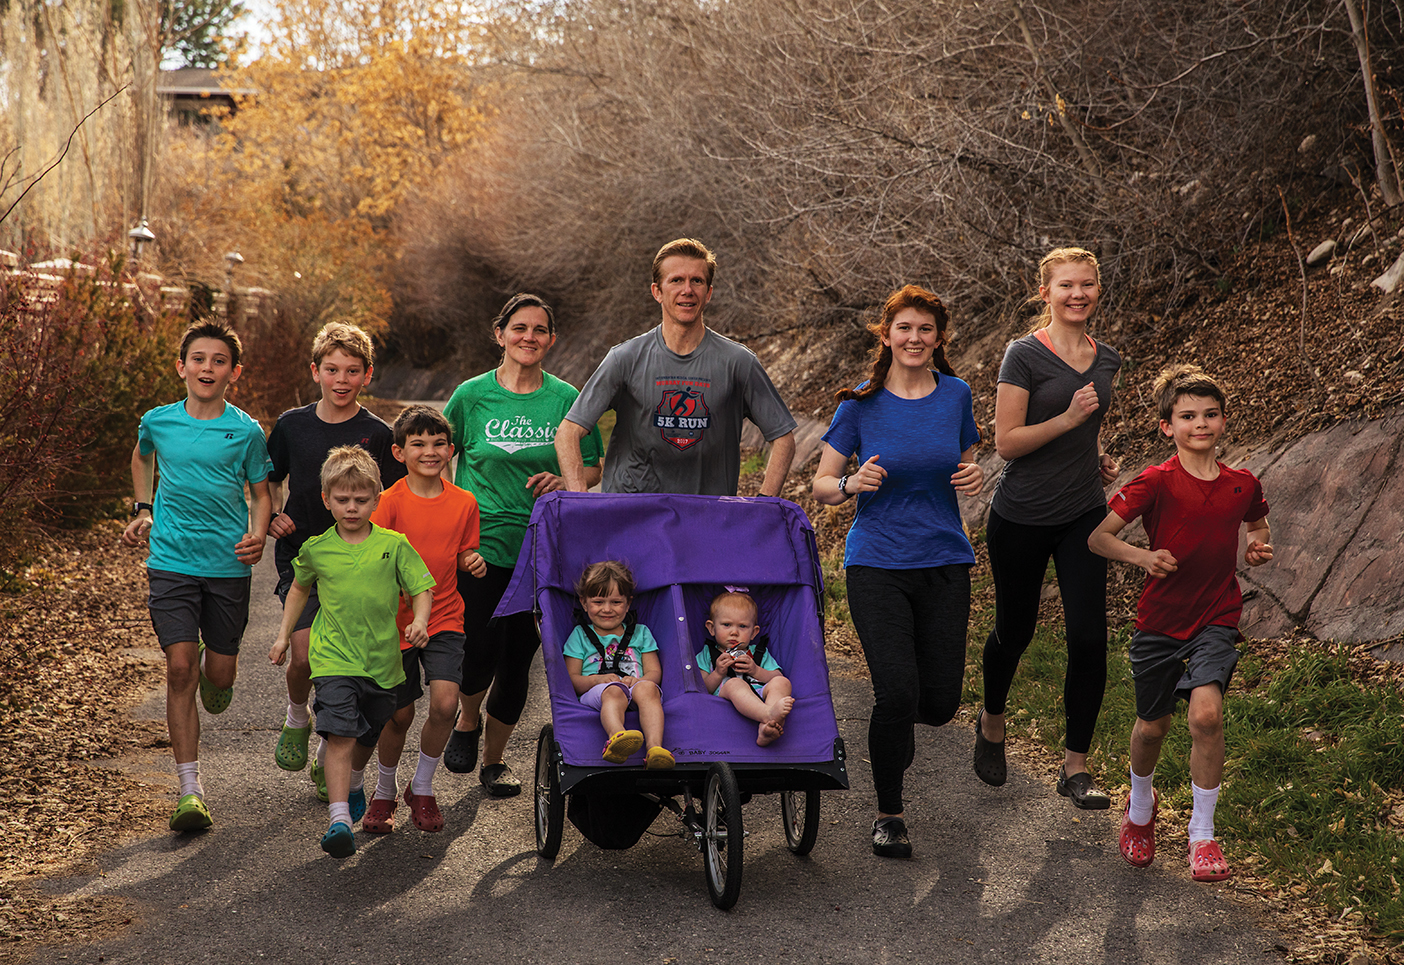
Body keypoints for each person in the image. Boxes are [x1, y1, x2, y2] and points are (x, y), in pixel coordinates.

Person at [812, 285, 984, 859]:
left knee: (937, 705)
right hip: (877, 562)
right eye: (904, 328)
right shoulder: (859, 404)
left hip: (944, 561)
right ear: (885, 336)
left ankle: (895, 733)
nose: (915, 339)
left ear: (939, 338)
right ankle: (890, 813)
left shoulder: (956, 395)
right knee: (895, 695)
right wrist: (849, 485)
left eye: (926, 329)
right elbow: (820, 485)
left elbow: (963, 462)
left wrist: (973, 477)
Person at [1088, 364, 1271, 882]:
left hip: (1216, 614)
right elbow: (1099, 539)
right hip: (1160, 621)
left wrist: (1258, 546)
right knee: (1152, 726)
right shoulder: (1155, 482)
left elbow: (1258, 522)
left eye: (1210, 414)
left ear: (1224, 421)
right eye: (1188, 416)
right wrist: (1142, 558)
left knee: (1206, 717)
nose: (1201, 424)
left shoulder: (1242, 483)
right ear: (1167, 426)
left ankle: (1203, 836)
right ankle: (1140, 811)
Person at [974, 247, 1121, 810]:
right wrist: (1068, 420)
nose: (1077, 294)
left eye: (1087, 284)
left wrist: (1097, 452)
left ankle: (1075, 769)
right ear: (1046, 293)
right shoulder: (1023, 355)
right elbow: (1007, 442)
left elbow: (1089, 425)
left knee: (1088, 637)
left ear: (1097, 291)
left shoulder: (1106, 358)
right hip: (1022, 516)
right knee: (1016, 630)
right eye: (1066, 285)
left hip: (1083, 512)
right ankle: (992, 721)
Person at [440, 294, 604, 797]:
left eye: (538, 330)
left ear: (550, 340)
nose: (528, 337)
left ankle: (494, 761)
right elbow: (435, 455)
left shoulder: (566, 399)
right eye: (519, 328)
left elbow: (594, 463)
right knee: (477, 652)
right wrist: (446, 513)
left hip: (542, 548)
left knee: (518, 657)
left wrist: (565, 479)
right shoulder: (470, 397)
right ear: (500, 334)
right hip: (479, 548)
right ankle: (466, 723)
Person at [121, 319, 273, 832]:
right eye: (199, 359)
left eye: (220, 361)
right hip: (171, 560)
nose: (208, 368)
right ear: (181, 366)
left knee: (219, 675)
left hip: (228, 563)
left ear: (234, 372)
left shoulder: (246, 430)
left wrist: (258, 533)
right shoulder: (158, 422)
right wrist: (143, 507)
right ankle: (190, 790)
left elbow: (261, 492)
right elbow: (142, 457)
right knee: (180, 668)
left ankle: (217, 662)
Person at [269, 446, 435, 858]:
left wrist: (419, 620)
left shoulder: (394, 545)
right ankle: (339, 819)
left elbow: (421, 587)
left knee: (371, 730)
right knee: (341, 734)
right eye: (342, 500)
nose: (352, 507)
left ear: (376, 499)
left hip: (382, 662)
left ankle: (357, 784)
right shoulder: (316, 548)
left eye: (361, 500)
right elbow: (299, 588)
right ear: (327, 499)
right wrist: (283, 635)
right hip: (334, 658)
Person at [266, 322, 405, 802]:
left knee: (346, 663)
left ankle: (332, 755)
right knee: (304, 655)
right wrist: (271, 518)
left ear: (367, 375)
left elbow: (393, 497)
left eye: (351, 371)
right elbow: (267, 479)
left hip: (360, 564)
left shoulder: (378, 434)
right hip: (303, 557)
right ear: (315, 372)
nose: (341, 380)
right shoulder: (291, 425)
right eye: (331, 370)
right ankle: (296, 716)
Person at [555, 238, 798, 497]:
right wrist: (577, 499)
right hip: (631, 518)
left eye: (697, 281)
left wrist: (764, 505)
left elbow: (783, 438)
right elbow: (568, 433)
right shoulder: (625, 358)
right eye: (676, 280)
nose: (687, 290)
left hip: (705, 519)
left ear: (709, 292)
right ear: (657, 291)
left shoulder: (738, 362)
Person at [362, 406, 487, 835]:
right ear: (399, 452)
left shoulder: (465, 502)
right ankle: (383, 791)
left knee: (446, 704)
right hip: (395, 623)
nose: (429, 451)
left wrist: (471, 560)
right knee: (397, 715)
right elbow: (375, 560)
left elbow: (461, 552)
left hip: (445, 615)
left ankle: (423, 787)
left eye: (438, 444)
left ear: (451, 450)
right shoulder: (388, 504)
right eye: (418, 444)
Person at [563, 561, 673, 768]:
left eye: (616, 602)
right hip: (597, 692)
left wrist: (640, 680)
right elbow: (572, 679)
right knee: (614, 690)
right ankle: (616, 737)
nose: (607, 609)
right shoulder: (579, 635)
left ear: (628, 603)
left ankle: (655, 748)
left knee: (650, 688)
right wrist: (597, 680)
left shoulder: (641, 633)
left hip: (635, 688)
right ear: (584, 603)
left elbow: (654, 671)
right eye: (598, 602)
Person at [695, 590, 794, 746]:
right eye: (726, 625)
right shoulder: (707, 653)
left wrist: (755, 670)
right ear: (712, 628)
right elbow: (702, 688)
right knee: (735, 683)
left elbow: (776, 675)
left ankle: (765, 728)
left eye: (742, 626)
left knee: (783, 683)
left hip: (759, 694)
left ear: (754, 632)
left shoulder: (758, 653)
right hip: (726, 693)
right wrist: (718, 673)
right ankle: (769, 715)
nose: (734, 632)